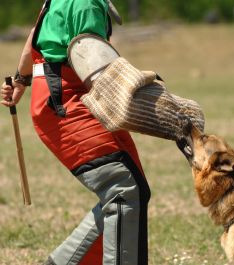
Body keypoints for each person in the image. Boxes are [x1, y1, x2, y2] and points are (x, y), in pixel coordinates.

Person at [0, 0, 151, 264]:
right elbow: (93, 64)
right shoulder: (86, 4)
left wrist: (21, 79)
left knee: (133, 189)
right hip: (63, 101)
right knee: (122, 189)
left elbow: (34, 35)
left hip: (62, 96)